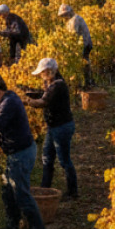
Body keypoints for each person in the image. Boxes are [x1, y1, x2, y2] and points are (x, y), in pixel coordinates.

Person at [0, 72, 47, 229]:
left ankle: (38, 228)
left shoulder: (8, 104)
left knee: (21, 192)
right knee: (7, 190)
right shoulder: (7, 98)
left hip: (21, 154)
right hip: (16, 152)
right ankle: (12, 226)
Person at [25, 58, 77, 199]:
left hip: (61, 127)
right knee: (47, 158)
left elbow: (43, 101)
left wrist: (27, 101)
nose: (41, 76)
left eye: (42, 73)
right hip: (54, 126)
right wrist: (30, 94)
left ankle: (73, 192)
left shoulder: (57, 86)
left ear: (49, 72)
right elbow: (43, 94)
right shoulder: (53, 84)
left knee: (64, 160)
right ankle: (44, 189)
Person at [58, 4, 93, 88]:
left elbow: (73, 36)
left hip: (84, 44)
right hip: (84, 44)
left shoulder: (75, 20)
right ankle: (86, 83)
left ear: (69, 12)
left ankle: (84, 84)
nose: (64, 16)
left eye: (65, 14)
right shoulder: (71, 20)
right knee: (84, 64)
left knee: (82, 64)